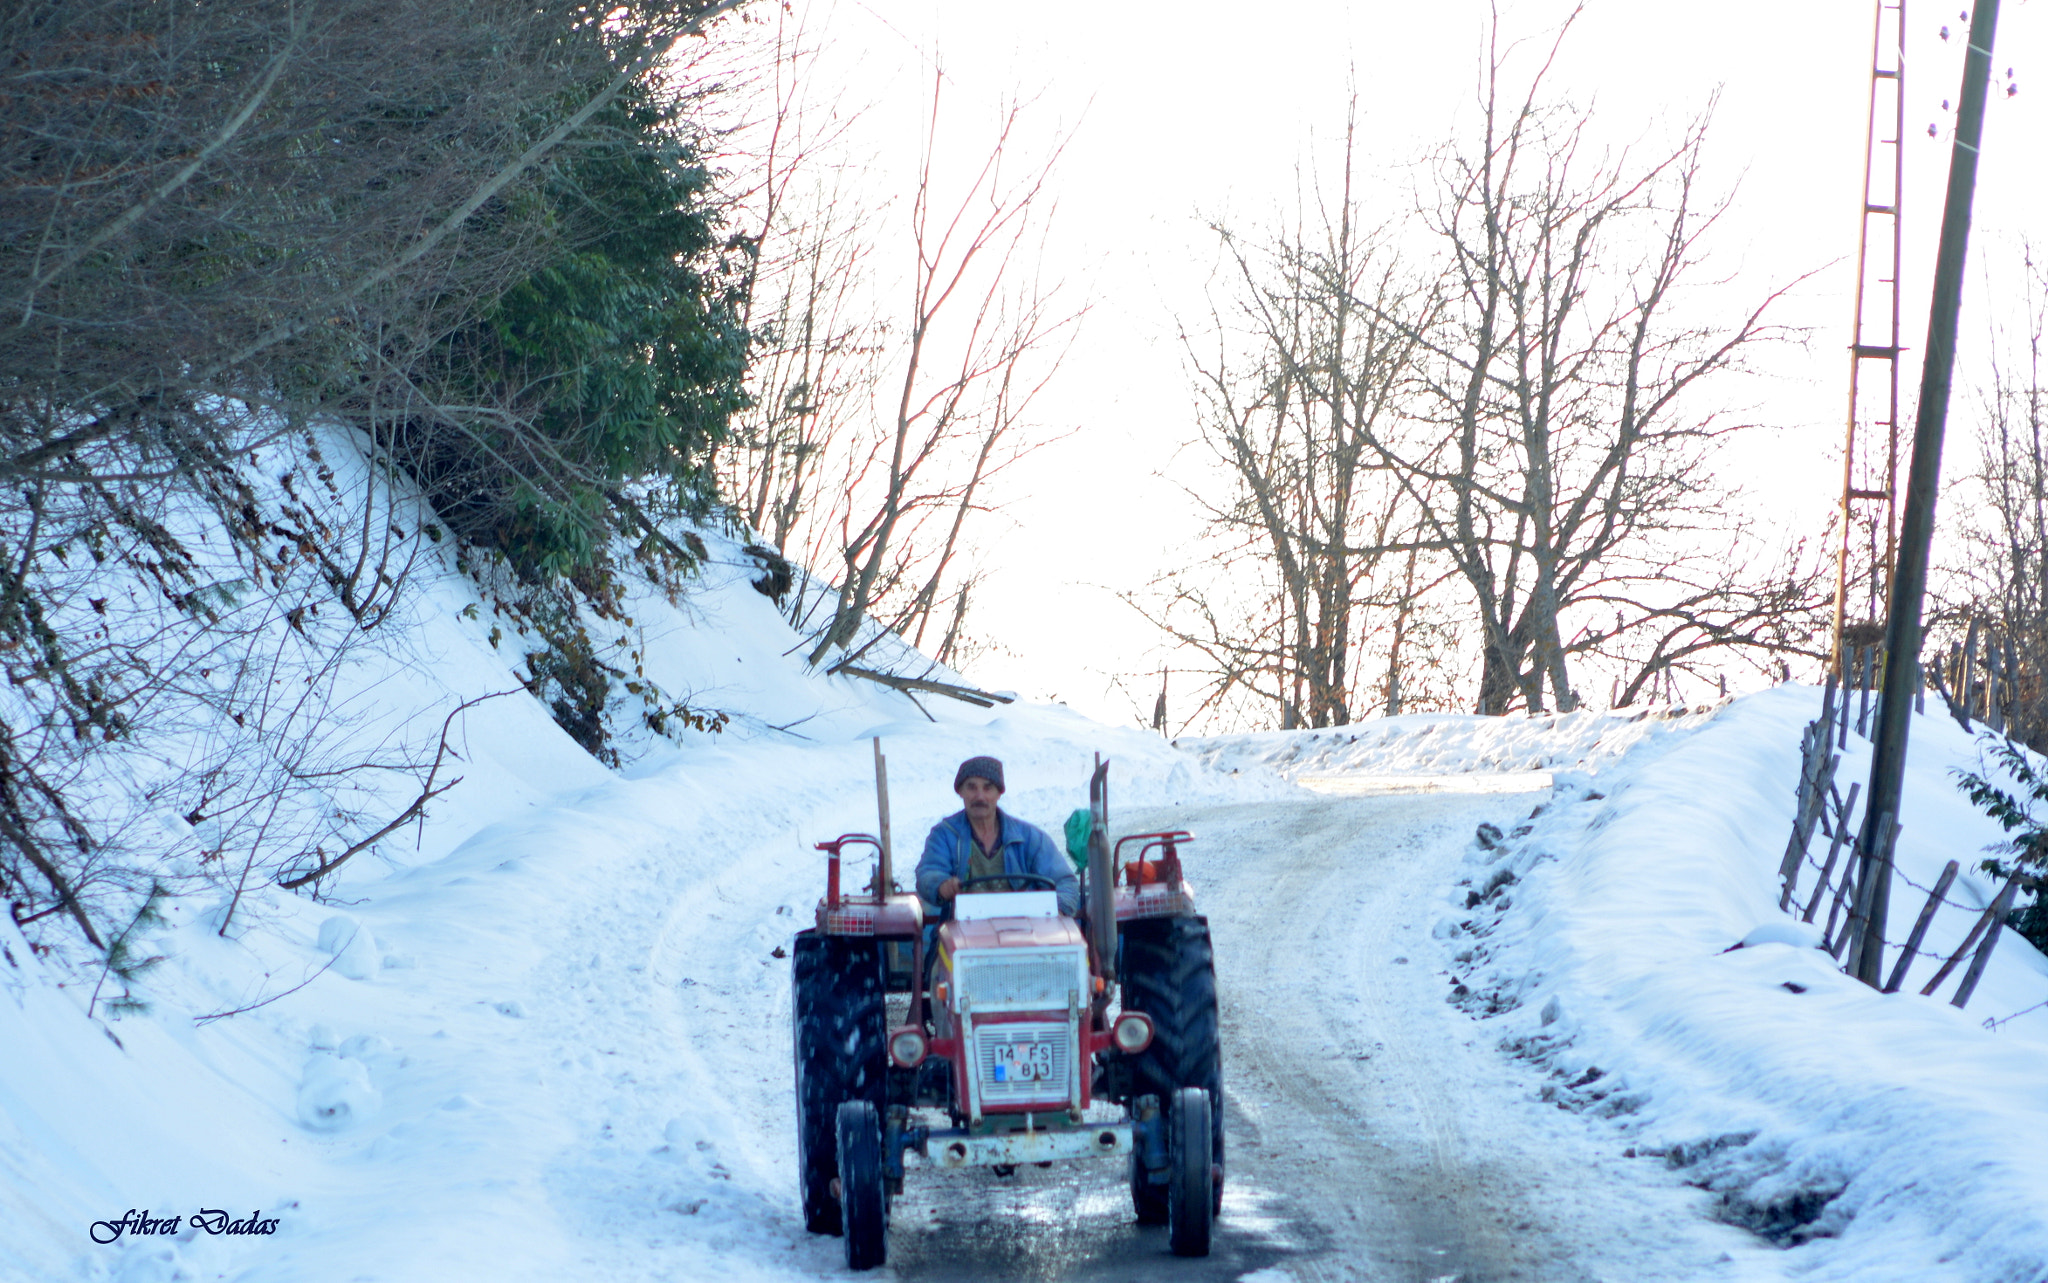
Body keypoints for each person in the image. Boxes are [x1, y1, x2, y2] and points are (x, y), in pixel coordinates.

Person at [916, 755, 1080, 918]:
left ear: (999, 793)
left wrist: (1056, 912)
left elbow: (1065, 882)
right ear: (960, 791)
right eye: (972, 787)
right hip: (963, 934)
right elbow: (928, 872)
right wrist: (941, 885)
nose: (980, 796)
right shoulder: (944, 835)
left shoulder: (1030, 837)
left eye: (988, 788)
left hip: (1026, 933)